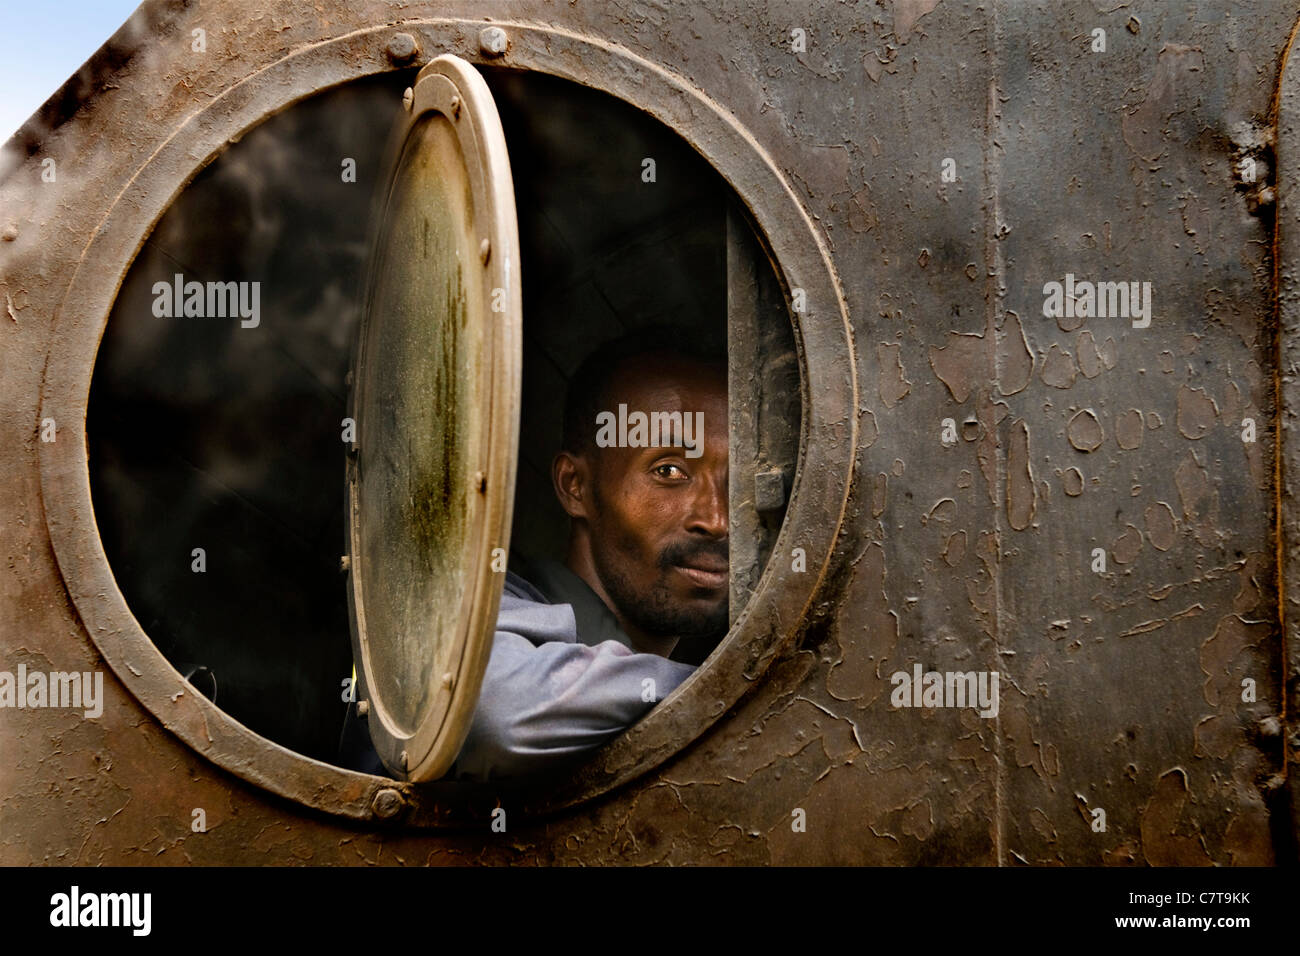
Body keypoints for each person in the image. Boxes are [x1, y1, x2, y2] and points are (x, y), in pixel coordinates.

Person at [338, 331, 729, 781]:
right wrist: (736, 689)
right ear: (574, 486)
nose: (717, 519)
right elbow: (495, 709)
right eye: (669, 470)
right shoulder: (470, 613)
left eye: (739, 480)